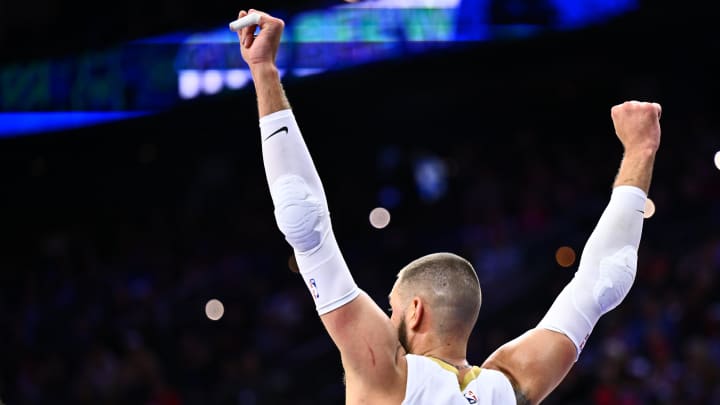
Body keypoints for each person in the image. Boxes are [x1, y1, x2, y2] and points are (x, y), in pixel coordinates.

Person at [232, 8, 662, 405]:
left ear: (415, 311)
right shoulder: (509, 385)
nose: (388, 318)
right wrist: (641, 150)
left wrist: (264, 70)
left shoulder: (389, 374)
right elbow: (602, 280)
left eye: (392, 308)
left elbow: (303, 221)